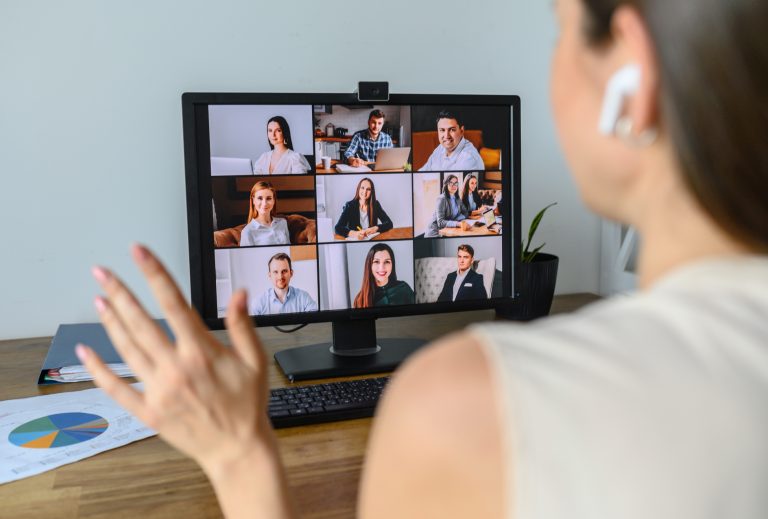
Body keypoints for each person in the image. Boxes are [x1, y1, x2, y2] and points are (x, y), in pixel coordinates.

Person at [78, 0, 768, 517]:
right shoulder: (368, 193)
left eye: (562, 32)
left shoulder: (464, 406)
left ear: (631, 75)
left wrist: (237, 456)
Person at [250, 253, 317, 315]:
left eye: (284, 271)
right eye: (275, 272)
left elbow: (316, 323)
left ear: (291, 273)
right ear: (270, 275)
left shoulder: (304, 298)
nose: (280, 277)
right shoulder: (258, 303)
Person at [418, 110, 484, 171]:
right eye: (442, 130)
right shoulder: (440, 148)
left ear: (461, 131)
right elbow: (421, 173)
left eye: (452, 129)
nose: (446, 136)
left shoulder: (468, 159)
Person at [353, 243, 414, 308]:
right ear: (369, 265)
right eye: (376, 262)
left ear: (392, 265)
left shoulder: (404, 288)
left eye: (387, 262)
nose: (382, 268)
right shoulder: (360, 299)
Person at [239, 181, 290, 246]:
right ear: (253, 200)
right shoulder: (247, 232)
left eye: (269, 198)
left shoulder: (283, 223)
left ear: (273, 200)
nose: (264, 203)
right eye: (260, 198)